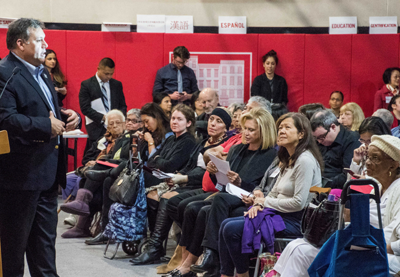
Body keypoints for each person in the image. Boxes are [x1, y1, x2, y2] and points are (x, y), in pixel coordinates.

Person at [0, 18, 80, 277]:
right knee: (13, 250)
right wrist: (46, 126)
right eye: (40, 40)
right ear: (20, 43)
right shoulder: (5, 72)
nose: (46, 45)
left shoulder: (43, 72)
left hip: (47, 177)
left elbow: (46, 111)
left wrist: (66, 115)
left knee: (44, 249)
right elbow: (6, 119)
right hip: (19, 178)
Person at [274, 135, 400, 277]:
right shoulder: (375, 187)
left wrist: (375, 246)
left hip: (381, 253)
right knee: (296, 247)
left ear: (394, 164)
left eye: (375, 158)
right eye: (368, 157)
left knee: (302, 253)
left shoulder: (398, 190)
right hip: (361, 245)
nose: (368, 163)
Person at [217, 112, 324, 277]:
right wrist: (258, 203)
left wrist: (263, 202)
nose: (281, 131)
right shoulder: (286, 158)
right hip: (278, 213)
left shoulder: (305, 160)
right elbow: (273, 191)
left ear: (301, 134)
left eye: (287, 127)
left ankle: (242, 274)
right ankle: (227, 274)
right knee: (226, 224)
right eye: (280, 127)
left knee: (232, 229)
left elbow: (298, 203)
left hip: (297, 221)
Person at [131, 106, 229, 266]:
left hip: (204, 185)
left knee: (166, 198)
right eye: (211, 119)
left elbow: (174, 166)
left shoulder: (219, 146)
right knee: (151, 192)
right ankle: (153, 244)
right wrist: (176, 176)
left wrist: (180, 177)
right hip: (186, 179)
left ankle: (157, 246)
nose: (212, 124)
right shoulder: (202, 142)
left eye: (218, 121)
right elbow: (156, 161)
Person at [189, 107, 279, 277]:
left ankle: (211, 257)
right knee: (202, 210)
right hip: (228, 196)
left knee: (214, 204)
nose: (246, 133)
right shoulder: (237, 150)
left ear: (264, 131)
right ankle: (215, 265)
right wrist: (214, 172)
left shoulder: (270, 155)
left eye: (251, 130)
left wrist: (241, 183)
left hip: (250, 199)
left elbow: (264, 188)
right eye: (244, 128)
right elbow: (222, 184)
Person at [59, 110, 132, 238]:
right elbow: (86, 158)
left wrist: (99, 162)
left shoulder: (127, 139)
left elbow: (123, 160)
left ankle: (81, 208)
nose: (114, 126)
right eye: (111, 124)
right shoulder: (102, 140)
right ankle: (81, 222)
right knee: (75, 179)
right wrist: (91, 163)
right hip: (96, 172)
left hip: (116, 175)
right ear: (107, 126)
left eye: (118, 123)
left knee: (97, 169)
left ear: (124, 124)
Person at [79, 57, 127, 154]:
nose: (109, 76)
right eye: (106, 74)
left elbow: (122, 105)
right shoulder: (87, 84)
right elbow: (85, 108)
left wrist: (119, 119)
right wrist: (104, 118)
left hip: (115, 128)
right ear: (98, 69)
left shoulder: (117, 84)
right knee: (95, 154)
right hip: (97, 126)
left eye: (111, 73)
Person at [310, 109, 360, 189]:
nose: (319, 141)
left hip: (335, 188)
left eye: (322, 137)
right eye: (316, 138)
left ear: (333, 127)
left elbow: (347, 174)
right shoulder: (320, 140)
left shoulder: (351, 140)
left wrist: (323, 186)